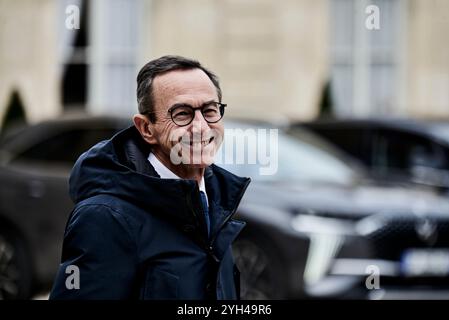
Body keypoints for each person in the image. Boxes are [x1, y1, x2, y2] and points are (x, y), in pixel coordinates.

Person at [49, 55, 250, 300]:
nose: (201, 127)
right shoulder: (104, 217)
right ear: (146, 128)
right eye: (182, 114)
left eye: (209, 110)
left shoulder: (217, 203)